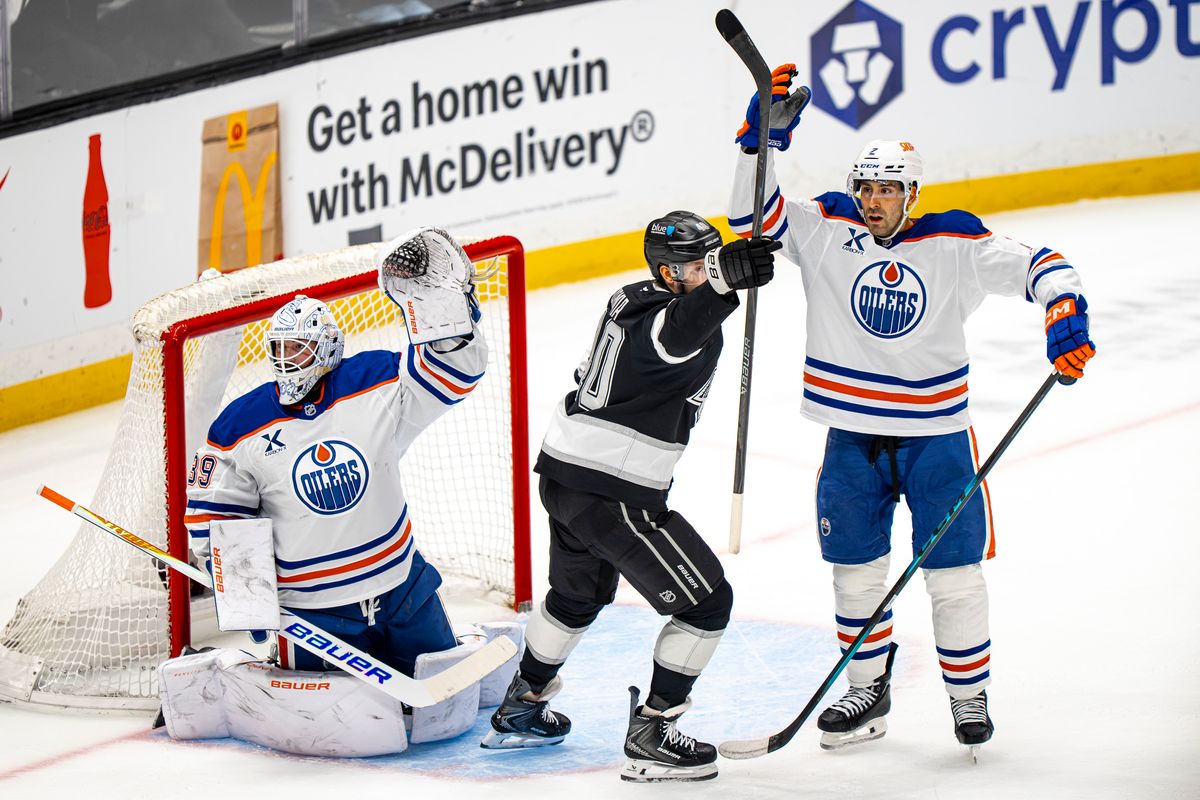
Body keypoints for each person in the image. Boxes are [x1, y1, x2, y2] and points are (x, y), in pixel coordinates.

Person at [728, 68, 1096, 754]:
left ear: (912, 194)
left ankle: (969, 698)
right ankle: (867, 692)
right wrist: (759, 145)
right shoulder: (826, 226)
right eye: (865, 186)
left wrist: (1064, 310)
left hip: (937, 441)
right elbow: (752, 222)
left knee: (954, 578)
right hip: (853, 438)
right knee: (856, 571)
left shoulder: (953, 244)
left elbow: (1044, 263)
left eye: (887, 189)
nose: (872, 200)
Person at [480, 211, 781, 782]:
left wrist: (717, 277)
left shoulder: (632, 296)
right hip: (612, 491)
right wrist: (720, 280)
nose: (704, 273)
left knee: (574, 599)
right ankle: (653, 730)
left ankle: (522, 703)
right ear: (667, 273)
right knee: (707, 605)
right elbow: (679, 332)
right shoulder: (667, 320)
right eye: (694, 267)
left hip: (567, 478)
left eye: (708, 262)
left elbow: (687, 317)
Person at [169, 227, 493, 757]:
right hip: (314, 613)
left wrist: (446, 321)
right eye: (277, 349)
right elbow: (215, 523)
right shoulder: (238, 425)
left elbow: (453, 376)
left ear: (327, 348)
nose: (285, 360)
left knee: (444, 697)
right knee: (326, 722)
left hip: (401, 589)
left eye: (297, 348)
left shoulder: (375, 382)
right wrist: (248, 602)